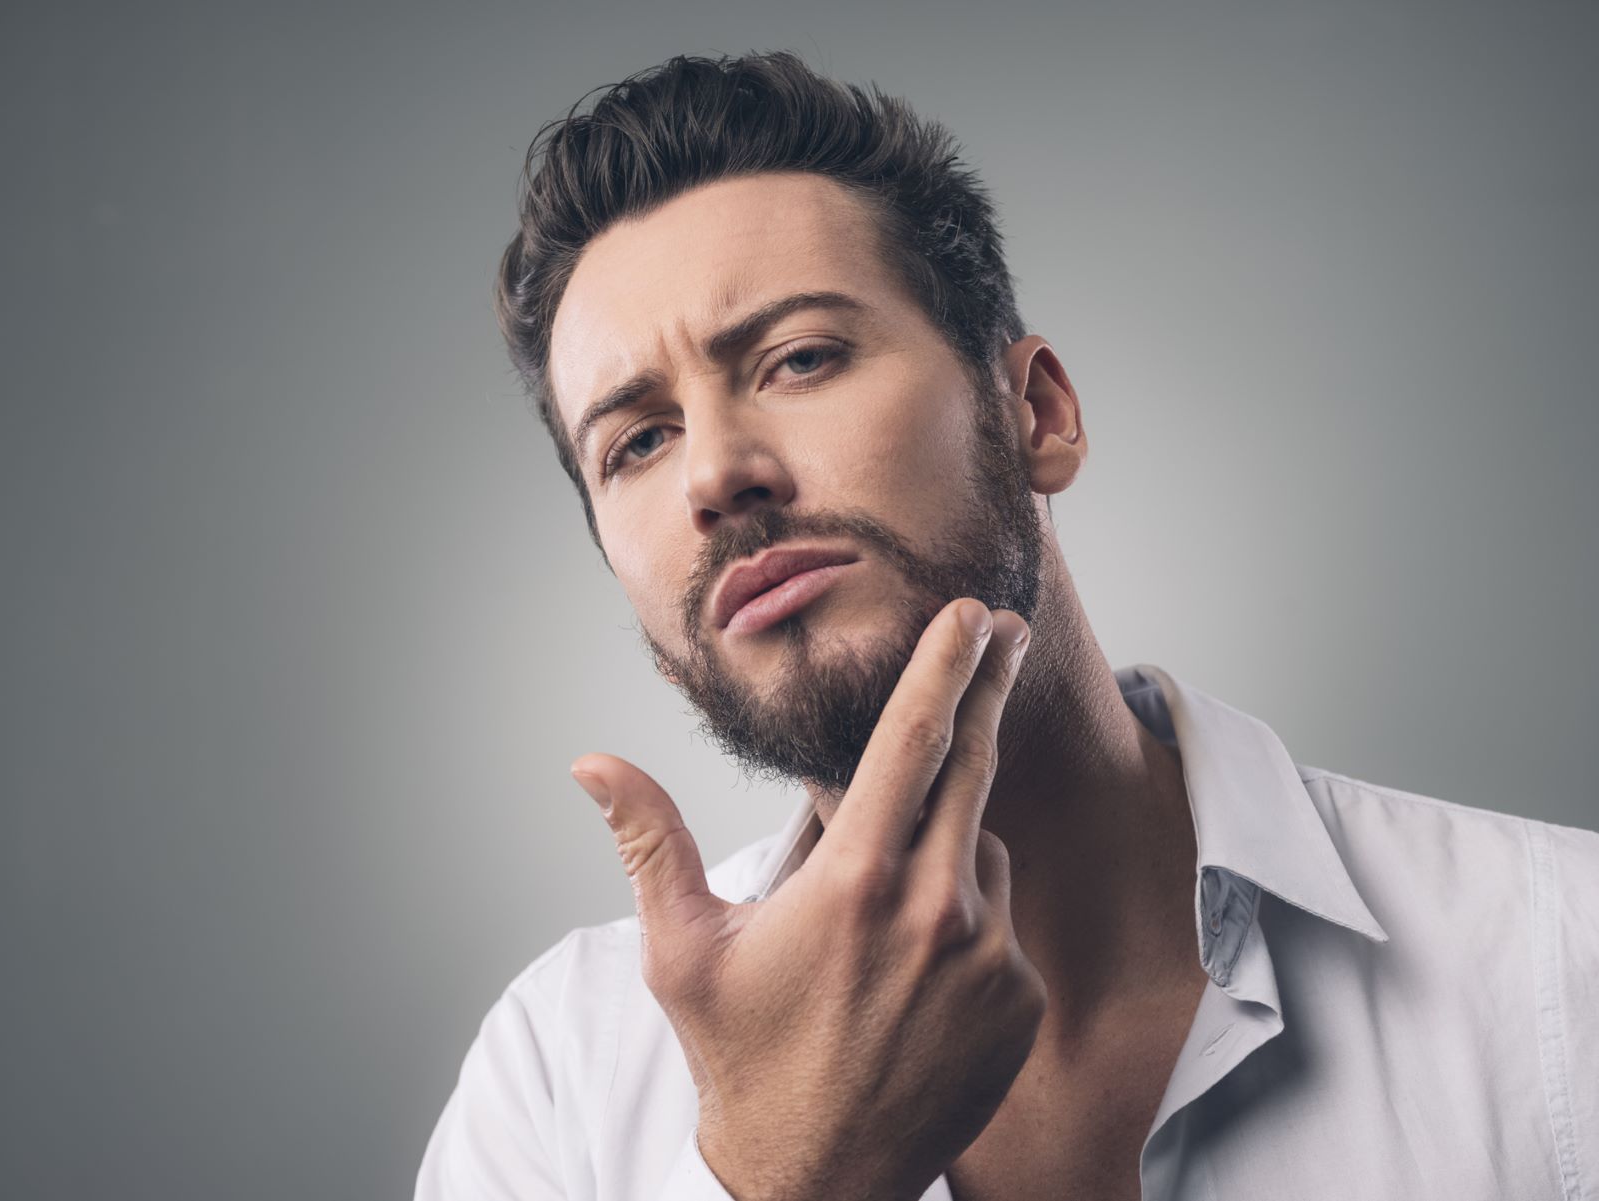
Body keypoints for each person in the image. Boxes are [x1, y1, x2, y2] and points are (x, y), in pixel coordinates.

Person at [416, 50, 1599, 1201]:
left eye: (800, 357)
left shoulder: (1561, 965)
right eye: (637, 442)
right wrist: (793, 1174)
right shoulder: (552, 1080)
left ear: (1037, 411)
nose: (715, 476)